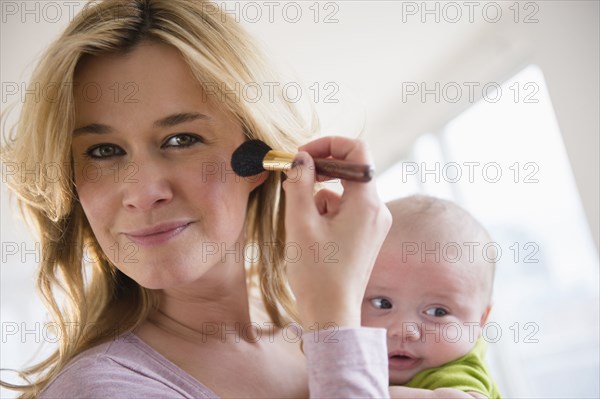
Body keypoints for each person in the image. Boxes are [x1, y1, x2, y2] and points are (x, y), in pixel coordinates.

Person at [0, 1, 392, 398]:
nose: (144, 193)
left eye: (181, 139)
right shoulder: (100, 389)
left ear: (258, 159)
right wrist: (335, 322)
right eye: (103, 151)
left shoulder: (315, 337)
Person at [362, 195, 502, 398]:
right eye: (382, 303)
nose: (405, 330)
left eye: (438, 312)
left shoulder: (456, 371)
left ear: (480, 321)